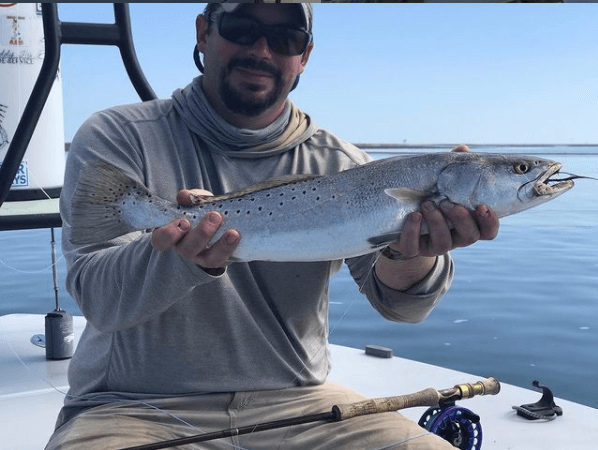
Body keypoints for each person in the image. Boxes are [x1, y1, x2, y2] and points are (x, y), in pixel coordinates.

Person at [47, 3, 499, 450]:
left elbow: (403, 310)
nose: (262, 50)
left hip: (306, 407)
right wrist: (179, 258)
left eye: (286, 39)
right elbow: (97, 298)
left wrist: (411, 251)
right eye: (243, 29)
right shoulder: (118, 135)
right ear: (204, 33)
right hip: (134, 407)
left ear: (304, 55)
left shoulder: (344, 166)